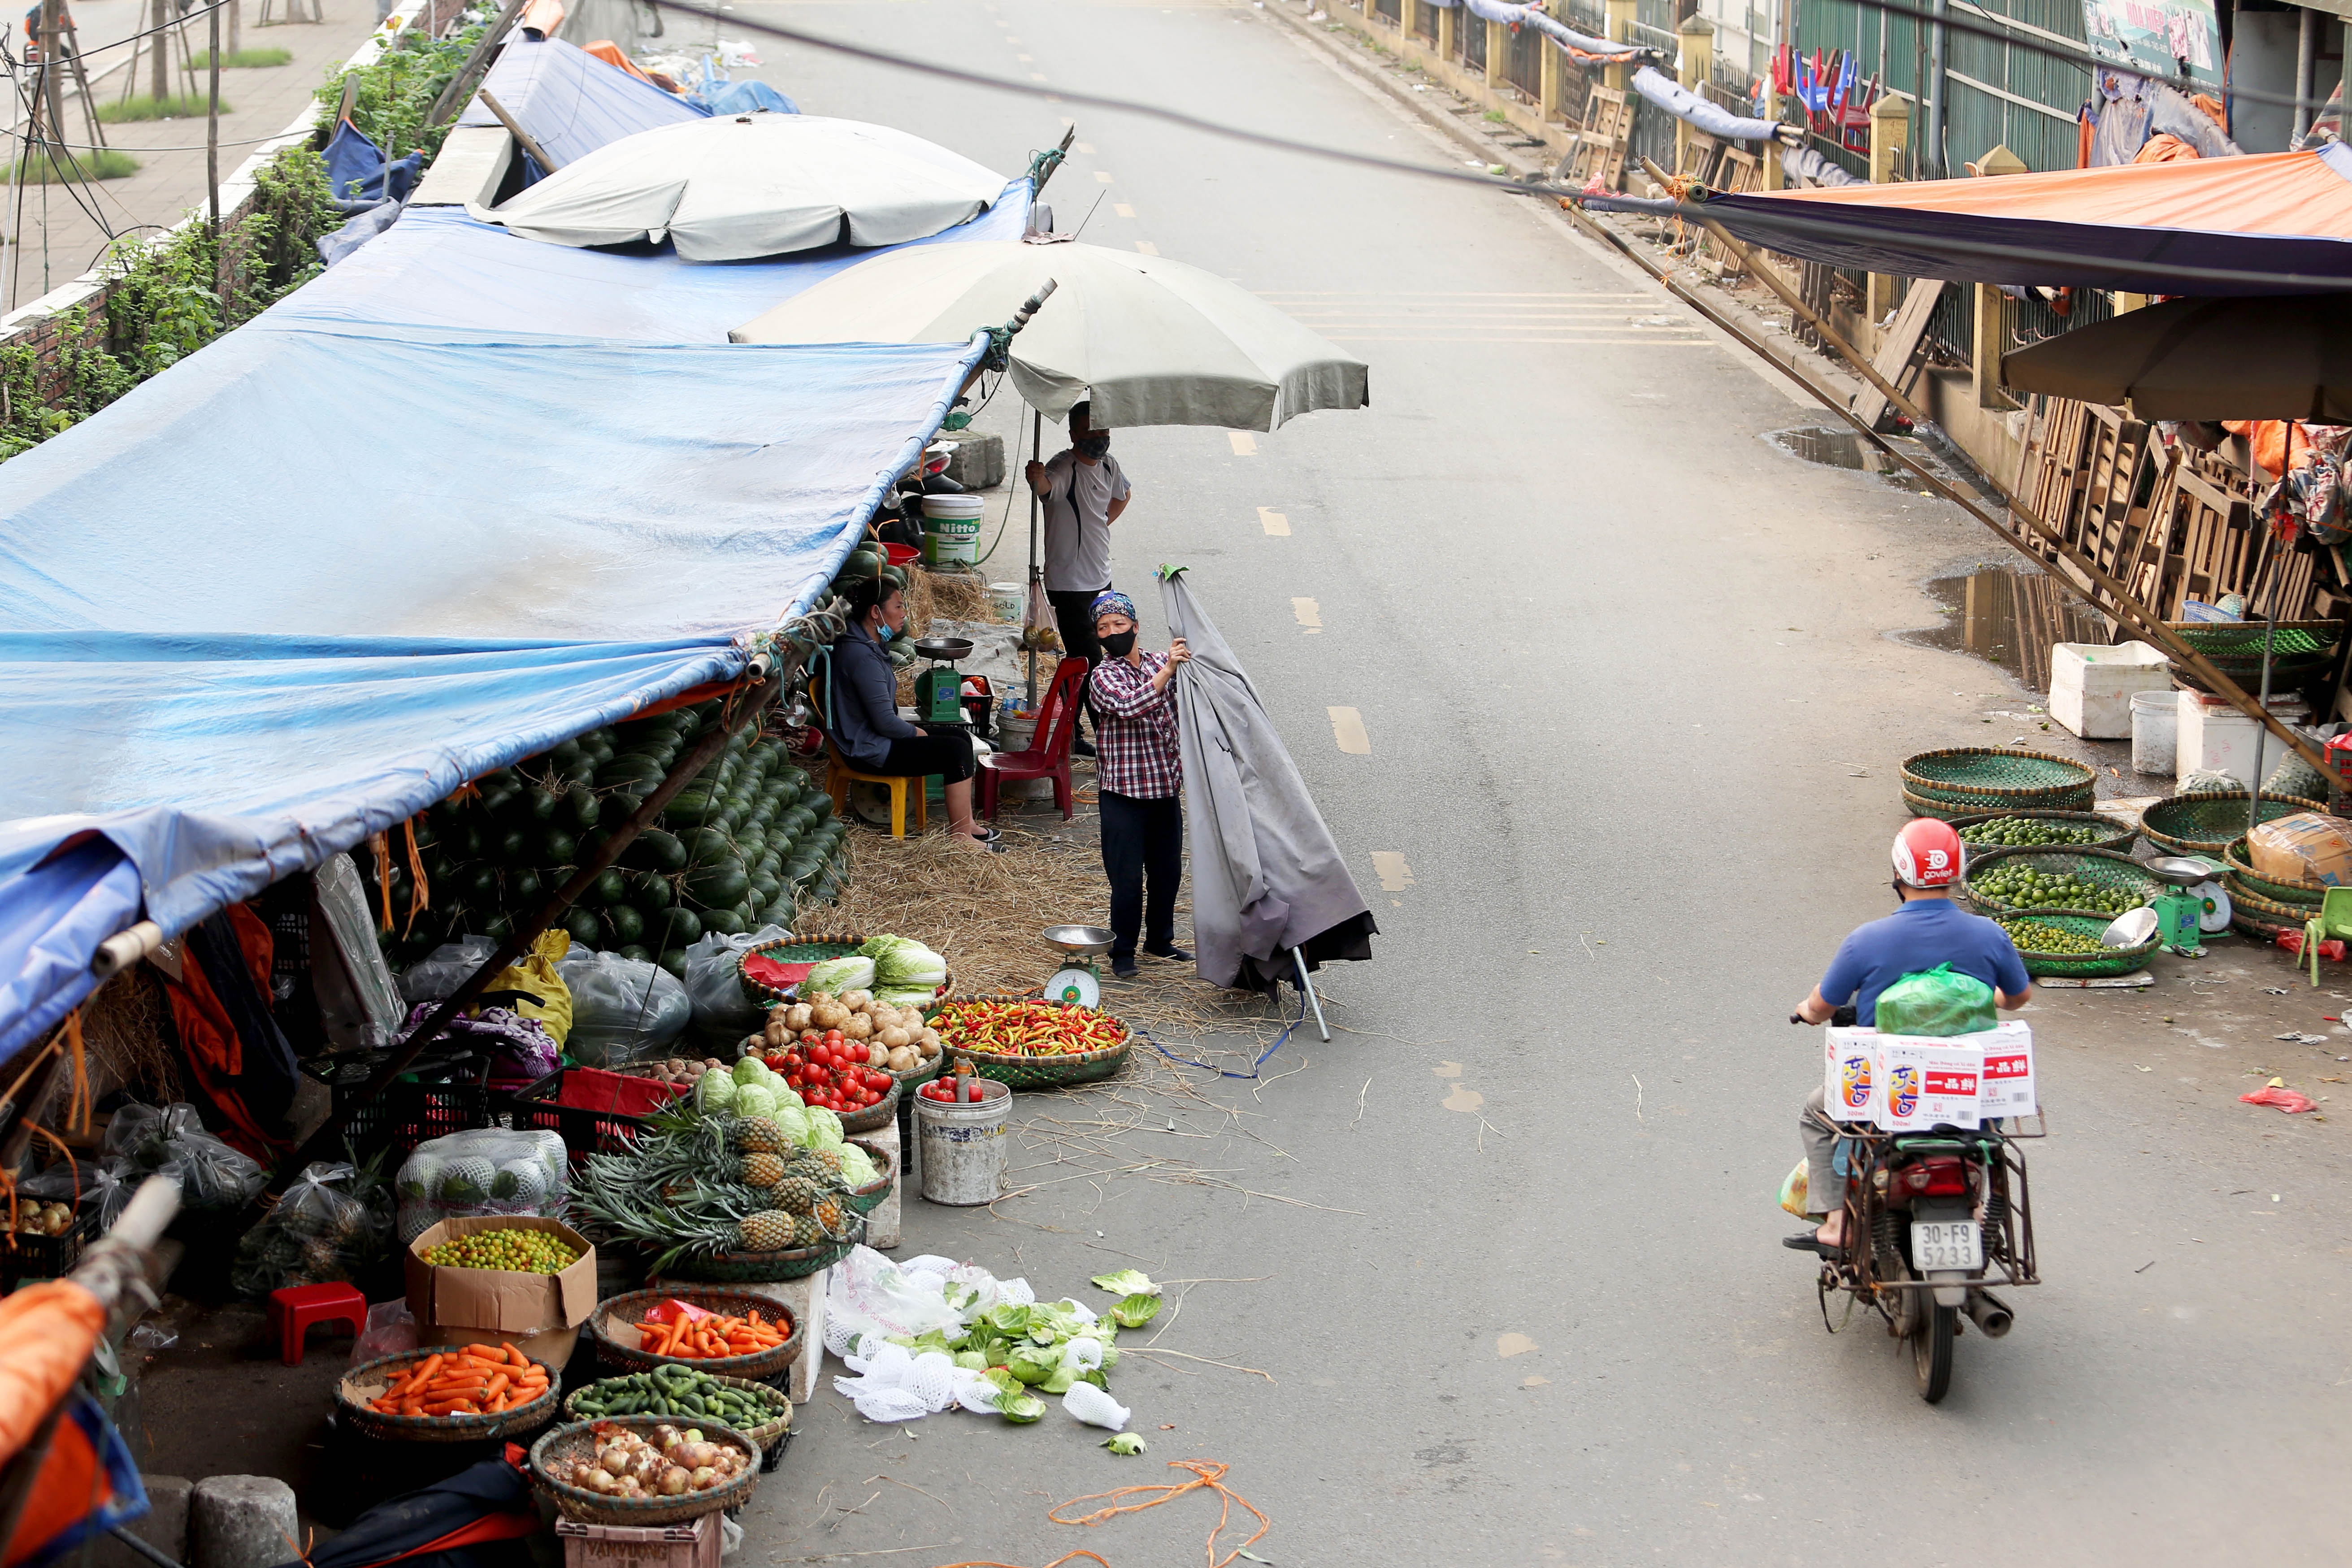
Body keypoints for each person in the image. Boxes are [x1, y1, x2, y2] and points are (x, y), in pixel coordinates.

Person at [1786, 819, 2031, 1254]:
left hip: (1887, 1095)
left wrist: (1804, 1011)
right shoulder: (1989, 935)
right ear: (1956, 872)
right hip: (1966, 1091)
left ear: (1898, 875)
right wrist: (1982, 994)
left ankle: (1836, 1222)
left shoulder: (1866, 940)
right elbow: (2017, 997)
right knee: (1989, 1131)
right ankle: (1977, 1210)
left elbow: (1822, 1004)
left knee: (1814, 1112)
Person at [826, 577, 998, 850]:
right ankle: (960, 839)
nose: (904, 613)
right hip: (870, 750)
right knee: (952, 751)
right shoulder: (861, 658)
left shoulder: (866, 645)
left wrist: (915, 732)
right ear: (875, 612)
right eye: (899, 606)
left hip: (874, 738)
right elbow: (885, 723)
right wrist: (915, 732)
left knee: (961, 738)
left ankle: (966, 825)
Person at [1086, 591, 1189, 977]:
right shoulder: (1102, 676)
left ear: (1135, 626)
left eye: (1119, 624)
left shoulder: (1163, 661)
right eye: (1103, 628)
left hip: (1164, 790)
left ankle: (1160, 941)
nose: (1112, 632)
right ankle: (1123, 951)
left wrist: (1180, 657)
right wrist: (1168, 673)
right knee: (1127, 880)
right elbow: (1130, 705)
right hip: (1123, 796)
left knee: (1167, 874)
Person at [1024, 402, 1132, 756]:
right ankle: (1102, 736)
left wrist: (1100, 523)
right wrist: (1035, 476)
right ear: (1074, 435)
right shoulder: (1063, 466)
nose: (1099, 439)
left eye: (1103, 431)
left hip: (1102, 577)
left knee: (1111, 655)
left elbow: (1123, 495)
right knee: (1087, 661)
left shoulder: (1109, 465)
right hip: (1069, 585)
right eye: (1090, 432)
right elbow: (1045, 489)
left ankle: (1075, 731)